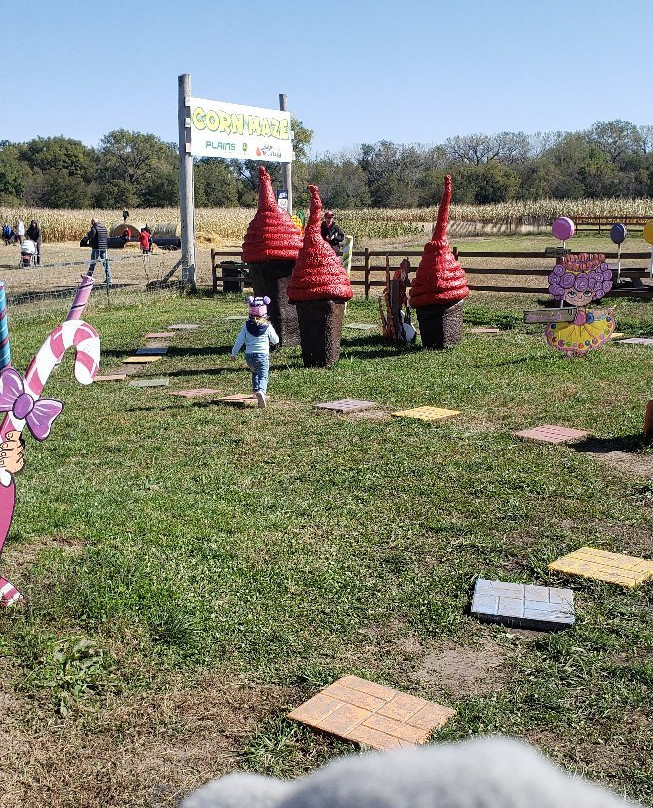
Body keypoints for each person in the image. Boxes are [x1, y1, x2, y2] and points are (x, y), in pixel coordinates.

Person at [230, 296, 279, 408]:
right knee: (263, 375)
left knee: (255, 372)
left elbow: (239, 341)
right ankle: (261, 391)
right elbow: (276, 340)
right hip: (262, 356)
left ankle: (255, 392)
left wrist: (234, 353)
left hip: (249, 356)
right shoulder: (267, 325)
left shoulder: (246, 326)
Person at [85, 218, 111, 285]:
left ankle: (88, 278)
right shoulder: (103, 227)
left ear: (93, 222)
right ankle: (109, 278)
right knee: (106, 264)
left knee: (92, 263)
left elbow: (91, 236)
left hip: (96, 248)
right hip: (104, 248)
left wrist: (87, 235)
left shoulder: (94, 228)